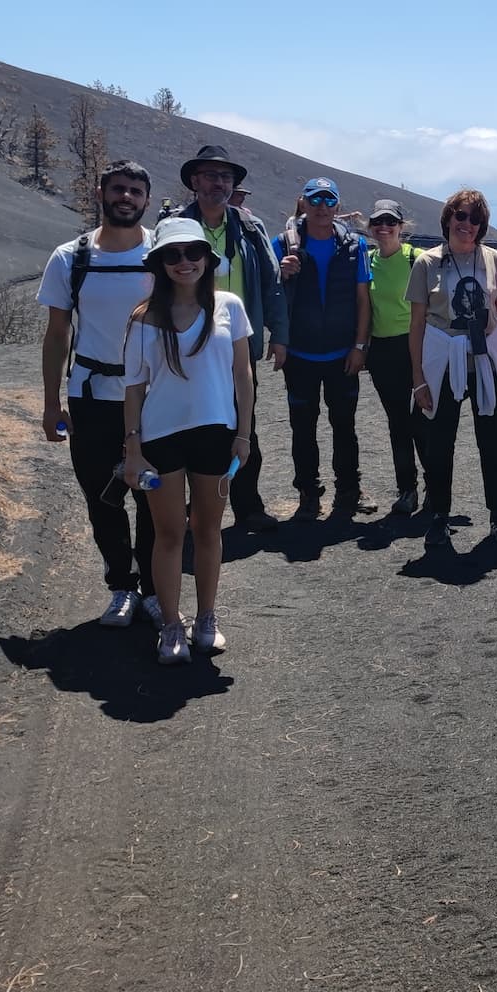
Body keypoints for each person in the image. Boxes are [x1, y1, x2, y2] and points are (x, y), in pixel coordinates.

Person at [121, 219, 255, 664]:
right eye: (173, 255)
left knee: (209, 530)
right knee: (169, 533)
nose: (184, 262)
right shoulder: (143, 319)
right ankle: (172, 625)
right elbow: (135, 388)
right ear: (159, 262)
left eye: (193, 253)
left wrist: (243, 435)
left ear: (207, 258)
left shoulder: (229, 306)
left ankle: (207, 619)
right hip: (160, 439)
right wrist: (133, 450)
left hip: (216, 435)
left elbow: (243, 374)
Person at [37, 160, 158, 627]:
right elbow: (56, 335)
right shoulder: (70, 257)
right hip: (91, 396)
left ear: (146, 200)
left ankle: (152, 586)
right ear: (101, 193)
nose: (125, 197)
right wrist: (52, 403)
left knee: (154, 494)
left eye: (135, 191)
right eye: (118, 189)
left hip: (154, 396)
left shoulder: (164, 254)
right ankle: (121, 586)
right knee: (102, 497)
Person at [160, 146, 287, 530]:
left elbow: (271, 281)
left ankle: (248, 507)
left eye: (226, 178)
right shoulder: (174, 227)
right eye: (211, 176)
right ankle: (186, 510)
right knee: (185, 426)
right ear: (194, 181)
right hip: (182, 347)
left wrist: (279, 334)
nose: (219, 184)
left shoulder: (250, 227)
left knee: (243, 425)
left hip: (236, 346)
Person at [408, 189, 497, 546]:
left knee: (493, 443)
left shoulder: (494, 260)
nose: (467, 224)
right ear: (448, 219)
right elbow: (416, 326)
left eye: (475, 219)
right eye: (461, 216)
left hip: (485, 361)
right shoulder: (427, 263)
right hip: (442, 361)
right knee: (440, 443)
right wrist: (419, 380)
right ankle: (439, 516)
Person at [273, 178, 373, 519]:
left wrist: (360, 346)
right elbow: (272, 296)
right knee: (302, 427)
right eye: (315, 199)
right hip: (299, 354)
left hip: (342, 353)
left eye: (329, 200)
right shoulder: (283, 244)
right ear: (303, 202)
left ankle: (349, 490)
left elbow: (363, 300)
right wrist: (282, 274)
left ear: (337, 206)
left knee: (344, 425)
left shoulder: (354, 245)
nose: (322, 206)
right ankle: (308, 492)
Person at [365, 199, 429, 516]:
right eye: (378, 222)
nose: (384, 227)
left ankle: (435, 488)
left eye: (391, 222)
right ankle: (408, 489)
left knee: (424, 420)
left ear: (401, 227)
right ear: (371, 228)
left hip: (416, 346)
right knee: (398, 423)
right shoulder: (365, 261)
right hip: (381, 351)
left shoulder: (417, 259)